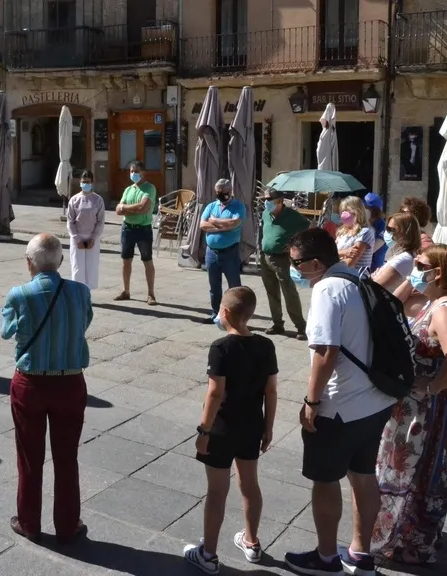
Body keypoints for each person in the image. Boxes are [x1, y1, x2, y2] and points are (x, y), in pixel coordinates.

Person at [284, 228, 396, 576]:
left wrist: (311, 402)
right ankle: (361, 554)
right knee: (363, 475)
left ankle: (327, 557)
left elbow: (325, 352)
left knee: (326, 480)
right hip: (375, 399)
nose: (296, 270)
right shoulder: (360, 280)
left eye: (297, 263)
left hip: (340, 405)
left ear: (316, 263)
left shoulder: (327, 290)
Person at [372, 244, 447, 564]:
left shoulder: (443, 309)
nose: (414, 267)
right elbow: (388, 307)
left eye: (420, 264)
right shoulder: (435, 302)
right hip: (423, 404)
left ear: (438, 272)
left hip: (428, 408)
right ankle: (405, 537)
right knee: (415, 469)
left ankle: (411, 543)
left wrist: (431, 386)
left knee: (416, 469)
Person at [1, 233, 93, 546]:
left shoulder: (19, 294)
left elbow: (6, 331)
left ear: (29, 263)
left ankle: (29, 523)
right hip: (70, 382)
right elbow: (85, 323)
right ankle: (68, 525)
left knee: (29, 457)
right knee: (67, 457)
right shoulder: (80, 292)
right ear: (61, 261)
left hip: (31, 383)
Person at [183, 286, 278, 574]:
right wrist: (268, 428)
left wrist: (203, 431)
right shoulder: (266, 345)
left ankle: (208, 553)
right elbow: (271, 390)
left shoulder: (221, 347)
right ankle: (251, 542)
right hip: (252, 425)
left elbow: (215, 394)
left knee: (217, 491)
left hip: (222, 429)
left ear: (224, 313)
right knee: (250, 485)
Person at [260, 188, 309, 340]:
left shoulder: (293, 217)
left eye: (270, 200)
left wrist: (293, 244)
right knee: (271, 292)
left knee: (289, 293)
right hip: (265, 257)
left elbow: (308, 228)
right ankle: (277, 324)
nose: (266, 203)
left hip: (282, 259)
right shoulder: (265, 214)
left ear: (280, 201)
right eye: (265, 200)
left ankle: (301, 326)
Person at [200, 178, 246, 323]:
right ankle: (216, 314)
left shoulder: (238, 206)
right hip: (211, 252)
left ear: (230, 191)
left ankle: (237, 317)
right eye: (218, 192)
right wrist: (222, 227)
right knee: (214, 286)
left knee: (234, 286)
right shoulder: (211, 206)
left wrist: (214, 221)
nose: (220, 195)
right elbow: (202, 225)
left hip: (230, 252)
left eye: (223, 192)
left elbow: (234, 223)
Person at [114, 160, 157, 305]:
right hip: (127, 229)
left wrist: (125, 208)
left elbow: (143, 208)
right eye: (132, 171)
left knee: (147, 261)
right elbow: (118, 210)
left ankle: (151, 294)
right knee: (126, 261)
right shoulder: (128, 189)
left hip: (143, 229)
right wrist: (132, 208)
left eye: (136, 171)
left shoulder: (149, 188)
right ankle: (126, 291)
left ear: (143, 173)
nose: (133, 174)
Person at [66, 170, 105, 290]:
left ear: (92, 183)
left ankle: (87, 293)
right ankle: (77, 292)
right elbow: (70, 221)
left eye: (88, 182)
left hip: (92, 237)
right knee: (77, 266)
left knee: (91, 267)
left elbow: (100, 221)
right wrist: (76, 239)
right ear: (80, 182)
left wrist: (94, 238)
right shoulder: (74, 200)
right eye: (84, 182)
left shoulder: (98, 200)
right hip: (77, 237)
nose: (86, 184)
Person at [371, 212, 420, 293]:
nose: (387, 232)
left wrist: (374, 277)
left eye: (391, 229)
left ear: (406, 233)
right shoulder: (402, 254)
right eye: (387, 228)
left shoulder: (404, 258)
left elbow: (374, 285)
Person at [335, 195, 376, 272]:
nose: (343, 215)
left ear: (357, 211)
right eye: (342, 211)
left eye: (347, 210)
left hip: (355, 277)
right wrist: (344, 252)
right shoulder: (342, 232)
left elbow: (350, 262)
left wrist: (333, 259)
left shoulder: (365, 232)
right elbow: (332, 252)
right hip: (339, 274)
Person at [364, 192, 387, 270]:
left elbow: (372, 249)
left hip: (373, 269)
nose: (363, 209)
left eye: (365, 207)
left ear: (374, 210)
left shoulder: (381, 225)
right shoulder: (364, 223)